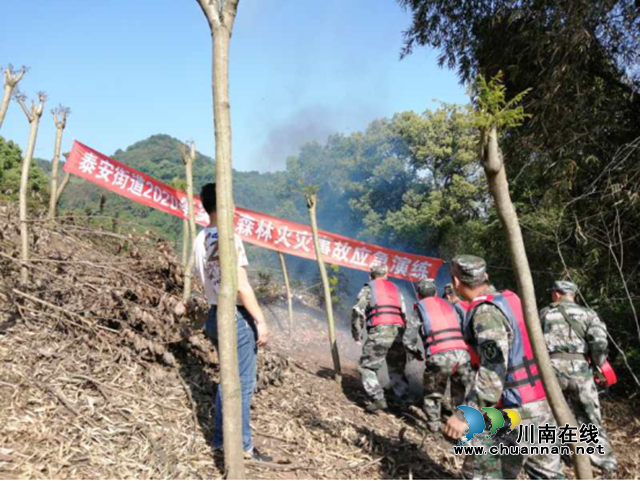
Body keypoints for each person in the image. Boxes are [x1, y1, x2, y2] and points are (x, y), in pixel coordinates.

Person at [443, 255, 563, 479]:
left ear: (456, 282)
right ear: (485, 276)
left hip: (515, 407)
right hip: (542, 400)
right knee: (547, 474)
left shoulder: (486, 312)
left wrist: (463, 415)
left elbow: (493, 373)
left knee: (479, 473)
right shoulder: (512, 299)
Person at [192, 183, 271, 462]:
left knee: (228, 381)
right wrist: (260, 321)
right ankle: (243, 446)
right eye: (233, 202)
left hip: (214, 314)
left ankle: (219, 439)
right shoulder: (229, 238)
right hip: (235, 317)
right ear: (225, 204)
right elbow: (241, 286)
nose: (236, 208)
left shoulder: (199, 239)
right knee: (242, 384)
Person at [540, 280, 617, 476]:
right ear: (572, 295)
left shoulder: (544, 314)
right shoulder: (589, 314)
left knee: (553, 418)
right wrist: (598, 363)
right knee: (590, 419)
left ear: (557, 294)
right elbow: (599, 343)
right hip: (581, 372)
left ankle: (558, 460)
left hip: (551, 372)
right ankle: (606, 464)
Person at [404, 278, 473, 434]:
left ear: (418, 295)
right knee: (460, 393)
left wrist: (415, 352)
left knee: (433, 393)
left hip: (440, 356)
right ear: (435, 292)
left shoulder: (419, 308)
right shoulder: (451, 305)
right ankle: (461, 426)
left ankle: (434, 426)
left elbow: (408, 339)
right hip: (463, 355)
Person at [352, 264, 409, 412]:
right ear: (386, 276)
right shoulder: (396, 289)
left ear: (370, 276)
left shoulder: (368, 288)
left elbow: (357, 310)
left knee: (367, 367)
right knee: (396, 368)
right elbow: (404, 313)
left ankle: (378, 397)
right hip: (399, 331)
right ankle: (401, 401)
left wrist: (357, 333)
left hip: (380, 330)